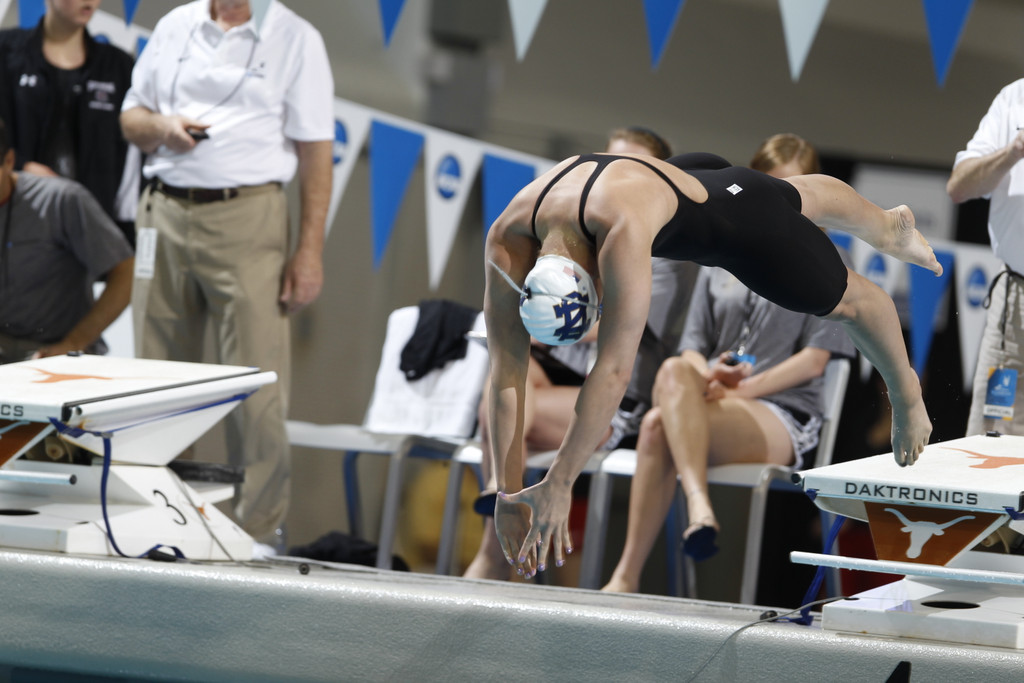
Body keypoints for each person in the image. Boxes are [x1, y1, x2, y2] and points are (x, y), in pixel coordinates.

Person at [484, 146, 940, 578]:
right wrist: (507, 491)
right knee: (787, 194)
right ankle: (886, 224)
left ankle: (906, 393)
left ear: (592, 282)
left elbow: (613, 372)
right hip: (685, 177)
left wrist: (560, 482)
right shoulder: (507, 238)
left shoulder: (619, 232)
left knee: (856, 302)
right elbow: (506, 371)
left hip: (727, 216)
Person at [119, 0, 334, 547]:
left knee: (256, 384)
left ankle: (256, 532)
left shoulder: (295, 37)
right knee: (153, 381)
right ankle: (156, 517)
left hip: (249, 216)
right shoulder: (175, 25)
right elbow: (130, 117)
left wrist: (309, 250)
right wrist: (162, 126)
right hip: (163, 210)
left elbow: (316, 151)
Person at [602, 134, 854, 592]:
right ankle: (687, 520)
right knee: (671, 379)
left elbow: (814, 362)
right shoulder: (720, 253)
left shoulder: (829, 258)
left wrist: (740, 388)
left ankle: (632, 570)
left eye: (793, 191)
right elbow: (692, 346)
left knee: (658, 424)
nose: (781, 204)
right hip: (716, 397)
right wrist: (708, 375)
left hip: (782, 411)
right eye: (772, 189)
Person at [463, 126, 684, 580]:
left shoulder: (650, 243)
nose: (611, 177)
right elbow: (508, 362)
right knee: (509, 374)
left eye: (628, 169)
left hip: (611, 394)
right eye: (607, 162)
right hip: (557, 376)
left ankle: (499, 541)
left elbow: (615, 352)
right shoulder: (520, 228)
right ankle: (503, 500)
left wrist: (539, 320)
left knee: (517, 403)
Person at [0, 0, 139, 244]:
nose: (89, 1)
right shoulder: (6, 51)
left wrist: (123, 235)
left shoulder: (118, 67)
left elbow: (129, 162)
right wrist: (21, 167)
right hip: (14, 221)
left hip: (89, 230)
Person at [0, 119, 133, 364]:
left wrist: (74, 342)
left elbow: (126, 271)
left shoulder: (60, 200)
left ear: (9, 161)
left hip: (55, 350)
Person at [947, 80, 1024, 437]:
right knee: (989, 442)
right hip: (1014, 305)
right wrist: (1013, 151)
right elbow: (959, 187)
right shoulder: (1014, 98)